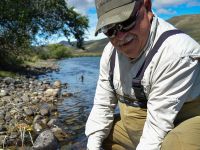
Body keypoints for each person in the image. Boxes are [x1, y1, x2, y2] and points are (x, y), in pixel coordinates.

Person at [85, 0, 200, 149]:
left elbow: (157, 128)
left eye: (126, 21)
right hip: (139, 129)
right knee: (100, 133)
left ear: (147, 7)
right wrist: (92, 146)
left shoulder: (176, 53)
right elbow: (103, 105)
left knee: (177, 144)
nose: (120, 36)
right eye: (109, 29)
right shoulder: (109, 53)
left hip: (176, 124)